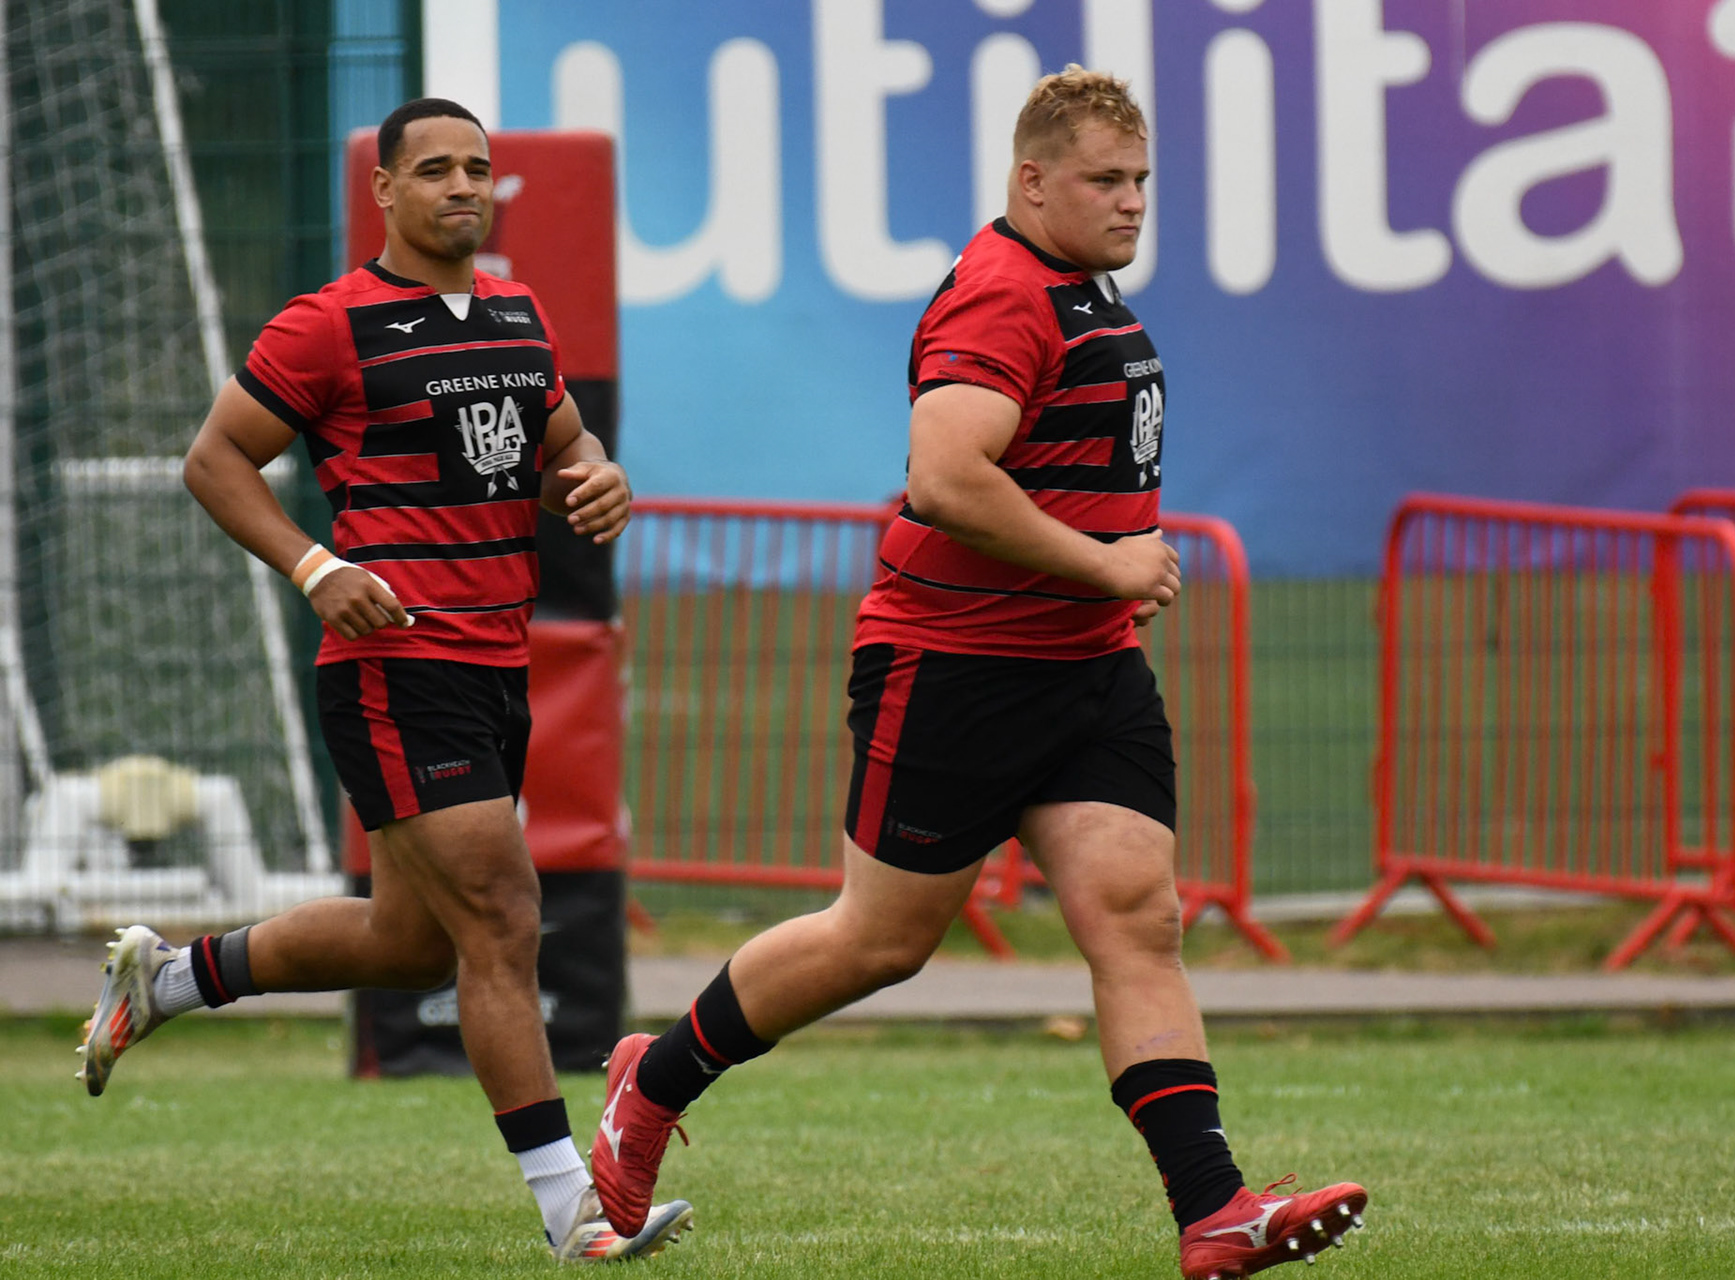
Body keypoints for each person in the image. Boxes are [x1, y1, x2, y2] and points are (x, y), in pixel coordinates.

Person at [591, 67, 1366, 1277]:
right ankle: (656, 1078)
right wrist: (1106, 564)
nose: (1129, 203)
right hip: (955, 665)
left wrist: (1098, 589)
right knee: (878, 941)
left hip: (1084, 670)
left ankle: (1213, 1208)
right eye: (1104, 180)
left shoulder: (1079, 284)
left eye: (1141, 180)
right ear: (1031, 178)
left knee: (1136, 915)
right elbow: (948, 476)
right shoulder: (1004, 293)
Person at [78, 97, 692, 1264]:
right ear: (387, 190)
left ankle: (171, 978)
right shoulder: (331, 324)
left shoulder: (516, 312)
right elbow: (213, 460)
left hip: (495, 664)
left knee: (416, 944)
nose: (464, 186)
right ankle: (576, 1211)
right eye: (438, 169)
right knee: (507, 920)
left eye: (480, 169)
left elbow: (565, 450)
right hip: (394, 664)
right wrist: (317, 565)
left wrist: (597, 477)